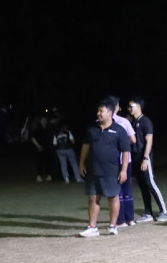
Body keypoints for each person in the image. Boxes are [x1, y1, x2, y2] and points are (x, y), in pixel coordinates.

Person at [78, 98, 132, 237]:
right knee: (93, 198)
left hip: (111, 171)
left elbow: (126, 151)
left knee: (113, 197)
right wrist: (81, 163)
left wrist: (124, 170)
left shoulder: (119, 130)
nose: (98, 113)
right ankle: (92, 227)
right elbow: (85, 147)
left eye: (101, 111)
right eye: (98, 111)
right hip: (93, 170)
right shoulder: (92, 129)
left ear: (110, 113)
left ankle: (113, 226)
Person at [126, 97, 167, 222]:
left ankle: (164, 212)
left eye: (131, 106)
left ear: (138, 106)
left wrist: (145, 158)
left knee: (150, 183)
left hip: (144, 156)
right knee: (142, 186)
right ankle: (148, 213)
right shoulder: (133, 122)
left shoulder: (146, 121)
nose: (129, 108)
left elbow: (149, 142)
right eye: (128, 106)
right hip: (135, 156)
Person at [109, 98, 138, 226]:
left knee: (117, 191)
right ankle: (129, 218)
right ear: (116, 107)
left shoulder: (101, 123)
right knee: (127, 189)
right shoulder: (124, 121)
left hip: (111, 160)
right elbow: (133, 140)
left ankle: (120, 220)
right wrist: (123, 142)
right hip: (126, 159)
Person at [51, 115, 83, 184]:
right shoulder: (68, 132)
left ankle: (66, 178)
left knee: (63, 164)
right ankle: (78, 177)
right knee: (74, 163)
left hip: (60, 150)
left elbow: (54, 144)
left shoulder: (56, 134)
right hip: (69, 149)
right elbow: (73, 141)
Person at [30, 114, 56, 183]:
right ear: (40, 121)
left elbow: (53, 137)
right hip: (40, 148)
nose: (44, 121)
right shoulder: (37, 129)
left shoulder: (49, 128)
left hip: (48, 148)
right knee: (39, 162)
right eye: (43, 120)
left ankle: (48, 175)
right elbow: (33, 138)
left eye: (45, 120)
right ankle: (39, 176)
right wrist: (38, 146)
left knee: (48, 162)